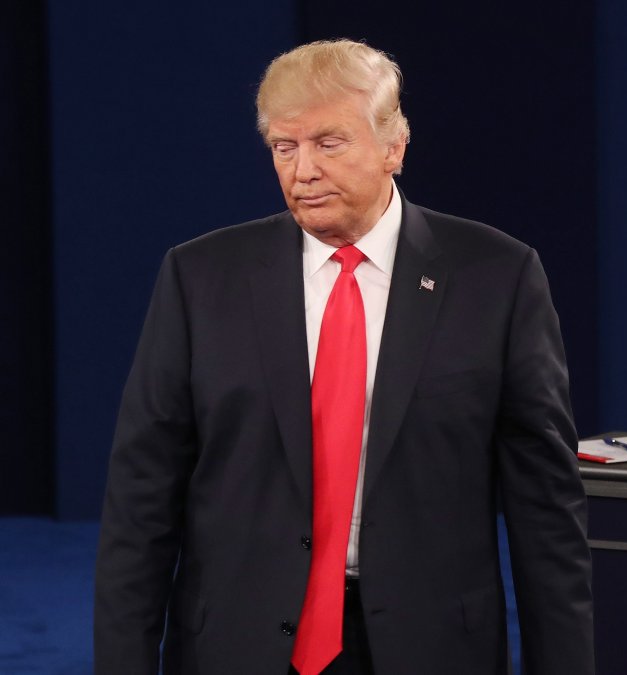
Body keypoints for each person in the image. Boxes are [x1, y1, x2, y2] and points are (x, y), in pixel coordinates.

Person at [94, 39, 594, 675]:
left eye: (328, 143)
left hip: (432, 646)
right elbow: (141, 503)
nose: (302, 170)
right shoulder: (199, 278)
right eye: (284, 146)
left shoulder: (497, 277)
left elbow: (546, 513)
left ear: (394, 146)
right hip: (240, 646)